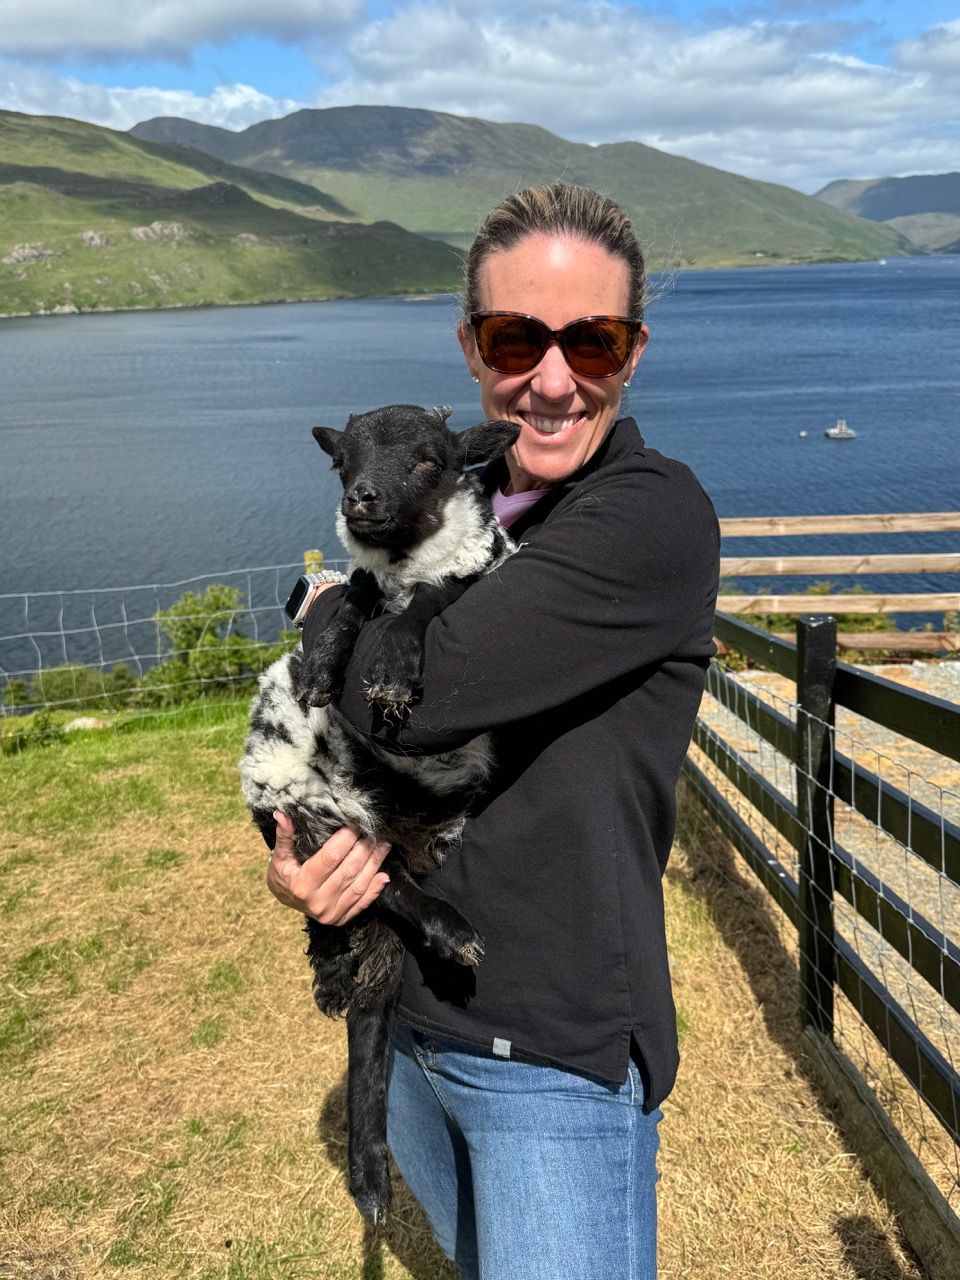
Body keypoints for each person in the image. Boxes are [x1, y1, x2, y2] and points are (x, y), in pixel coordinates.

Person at [266, 181, 719, 1279]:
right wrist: (303, 858)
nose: (553, 379)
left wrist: (324, 603)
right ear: (472, 345)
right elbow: (332, 726)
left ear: (635, 350)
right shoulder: (454, 484)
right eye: (518, 336)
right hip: (415, 1013)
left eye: (593, 340)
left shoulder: (648, 517)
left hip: (549, 1062)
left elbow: (420, 693)